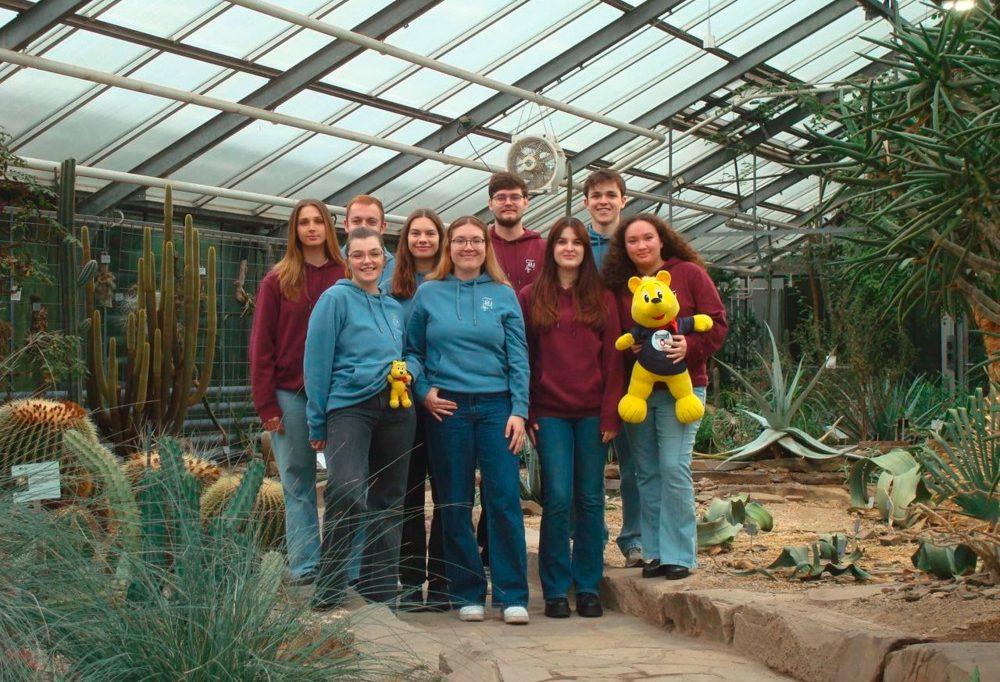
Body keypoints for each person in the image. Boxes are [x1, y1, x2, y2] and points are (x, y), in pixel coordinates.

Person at [405, 216, 531, 625]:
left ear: (485, 247)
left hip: (497, 408)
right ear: (449, 246)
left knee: (504, 500)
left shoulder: (504, 294)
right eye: (460, 241)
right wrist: (423, 391)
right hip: (449, 409)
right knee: (454, 502)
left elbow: (519, 358)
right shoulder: (428, 294)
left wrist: (519, 410)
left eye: (476, 240)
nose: (468, 247)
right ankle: (467, 592)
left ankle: (512, 595)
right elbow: (412, 352)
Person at [601, 214, 727, 580]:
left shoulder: (689, 274)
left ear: (662, 240)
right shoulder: (621, 287)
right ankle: (654, 552)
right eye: (633, 241)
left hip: (682, 390)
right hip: (640, 392)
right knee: (647, 471)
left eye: (647, 238)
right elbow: (618, 338)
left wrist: (689, 344)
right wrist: (634, 348)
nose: (641, 246)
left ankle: (681, 555)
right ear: (624, 248)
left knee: (674, 467)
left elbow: (716, 323)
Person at [518, 217, 624, 619]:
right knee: (558, 498)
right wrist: (528, 410)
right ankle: (556, 590)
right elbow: (524, 356)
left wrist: (610, 411)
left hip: (593, 413)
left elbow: (613, 359)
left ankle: (588, 584)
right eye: (561, 241)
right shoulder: (531, 296)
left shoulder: (603, 298)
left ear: (584, 249)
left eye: (576, 242)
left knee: (591, 497)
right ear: (551, 249)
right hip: (550, 412)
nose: (568, 248)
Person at [304, 227, 415, 610]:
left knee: (389, 499)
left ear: (385, 259)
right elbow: (316, 362)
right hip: (350, 407)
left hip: (397, 410)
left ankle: (379, 589)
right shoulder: (334, 299)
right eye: (358, 255)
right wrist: (316, 422)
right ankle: (329, 586)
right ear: (348, 261)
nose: (367, 261)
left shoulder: (393, 307)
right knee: (346, 490)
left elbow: (410, 351)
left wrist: (409, 369)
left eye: (374, 254)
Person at [250, 199, 345, 585]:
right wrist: (266, 403)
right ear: (295, 230)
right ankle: (306, 565)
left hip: (341, 396)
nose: (311, 229)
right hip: (290, 394)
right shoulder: (278, 279)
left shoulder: (346, 275)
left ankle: (344, 565)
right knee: (297, 481)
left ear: (328, 227)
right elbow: (261, 345)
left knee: (345, 482)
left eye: (317, 221)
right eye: (303, 223)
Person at [481, 171, 545, 566]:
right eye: (501, 197)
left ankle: (505, 550)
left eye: (515, 197)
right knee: (494, 464)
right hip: (487, 369)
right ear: (490, 203)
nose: (508, 203)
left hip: (534, 361)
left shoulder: (541, 246)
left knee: (507, 465)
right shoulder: (476, 244)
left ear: (526, 202)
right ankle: (488, 547)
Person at [389, 208, 450, 612]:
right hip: (403, 402)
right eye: (416, 233)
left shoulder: (450, 284)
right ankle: (410, 581)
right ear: (406, 239)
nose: (423, 239)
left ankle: (444, 582)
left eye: (430, 233)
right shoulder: (391, 285)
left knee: (449, 492)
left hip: (445, 400)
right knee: (408, 494)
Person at [582, 169, 643, 569]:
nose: (603, 201)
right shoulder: (576, 244)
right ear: (585, 201)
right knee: (588, 464)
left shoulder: (635, 243)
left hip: (635, 368)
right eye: (596, 195)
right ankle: (591, 538)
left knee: (635, 460)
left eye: (610, 195)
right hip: (587, 366)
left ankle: (634, 539)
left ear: (623, 199)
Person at [342, 194, 396, 288]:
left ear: (383, 227)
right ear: (346, 225)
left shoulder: (398, 270)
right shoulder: (331, 264)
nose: (364, 226)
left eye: (371, 222)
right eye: (356, 221)